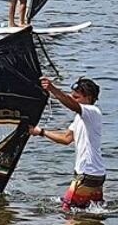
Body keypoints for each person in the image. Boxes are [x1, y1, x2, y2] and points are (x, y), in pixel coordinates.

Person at [29, 76, 105, 212]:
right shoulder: (81, 118)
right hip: (95, 175)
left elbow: (71, 105)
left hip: (86, 174)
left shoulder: (92, 111)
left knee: (67, 212)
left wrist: (52, 89)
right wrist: (41, 132)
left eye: (76, 97)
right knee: (89, 216)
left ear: (88, 98)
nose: (72, 99)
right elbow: (66, 138)